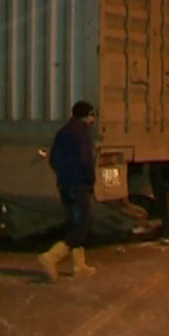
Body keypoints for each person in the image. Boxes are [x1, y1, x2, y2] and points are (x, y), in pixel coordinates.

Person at [39, 101, 97, 282]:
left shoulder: (63, 131)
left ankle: (79, 266)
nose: (93, 119)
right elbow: (86, 160)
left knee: (74, 222)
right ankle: (51, 257)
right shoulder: (83, 132)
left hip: (64, 185)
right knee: (82, 226)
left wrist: (64, 176)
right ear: (87, 116)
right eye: (92, 115)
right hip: (79, 185)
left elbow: (53, 159)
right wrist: (90, 180)